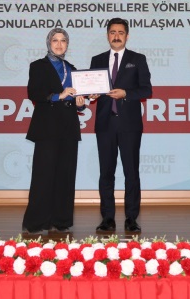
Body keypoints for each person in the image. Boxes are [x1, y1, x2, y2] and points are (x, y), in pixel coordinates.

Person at [89, 17, 152, 234]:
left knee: (131, 172)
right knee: (106, 173)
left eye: (120, 32)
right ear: (107, 35)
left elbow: (146, 90)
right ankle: (107, 218)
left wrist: (126, 93)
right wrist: (91, 94)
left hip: (130, 125)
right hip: (105, 124)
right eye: (112, 32)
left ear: (127, 35)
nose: (116, 36)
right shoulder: (97, 59)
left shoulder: (138, 59)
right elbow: (92, 88)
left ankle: (131, 218)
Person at [21, 27, 85, 236]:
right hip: (47, 126)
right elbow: (34, 93)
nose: (59, 44)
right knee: (43, 175)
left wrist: (81, 103)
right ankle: (36, 222)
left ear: (67, 44)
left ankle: (61, 220)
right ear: (49, 43)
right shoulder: (38, 66)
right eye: (55, 40)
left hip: (68, 126)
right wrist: (59, 95)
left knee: (66, 175)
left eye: (63, 40)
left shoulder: (72, 69)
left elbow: (77, 100)